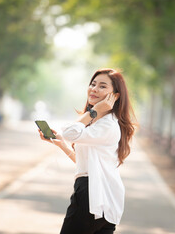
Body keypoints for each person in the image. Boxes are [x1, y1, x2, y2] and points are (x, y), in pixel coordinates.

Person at [38, 68, 136, 234]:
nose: (94, 89)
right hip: (106, 201)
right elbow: (86, 164)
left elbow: (69, 132)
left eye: (102, 86)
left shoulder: (107, 125)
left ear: (115, 96)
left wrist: (94, 111)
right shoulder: (102, 123)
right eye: (93, 84)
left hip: (92, 195)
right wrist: (62, 144)